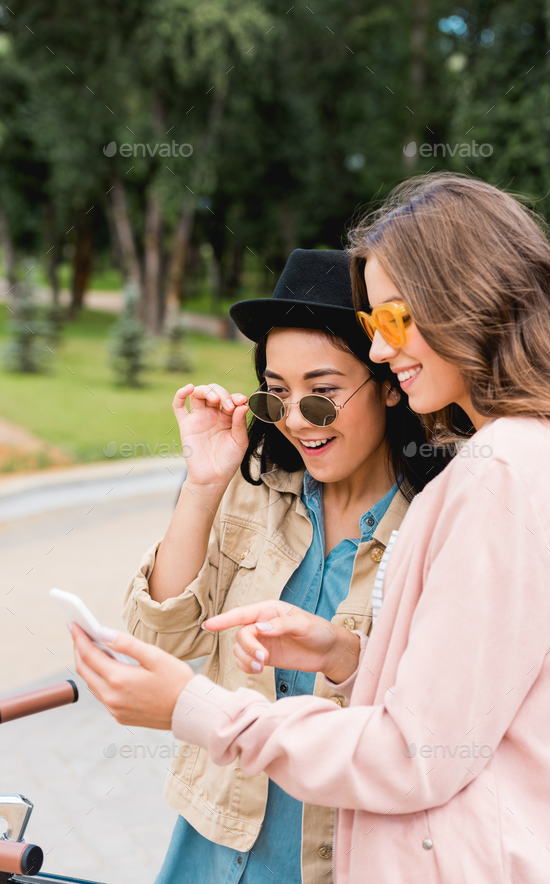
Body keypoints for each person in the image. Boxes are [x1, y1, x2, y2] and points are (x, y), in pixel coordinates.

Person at [72, 173, 550, 883]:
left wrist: (195, 709)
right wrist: (346, 653)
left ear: (462, 299)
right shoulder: (534, 457)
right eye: (275, 395)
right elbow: (464, 700)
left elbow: (417, 753)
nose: (383, 348)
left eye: (391, 322)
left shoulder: (498, 472)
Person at [118, 248, 447, 884]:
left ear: (386, 380)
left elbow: (426, 726)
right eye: (276, 396)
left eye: (322, 396)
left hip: (340, 859)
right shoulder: (253, 487)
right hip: (210, 847)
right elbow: (156, 638)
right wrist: (202, 484)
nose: (297, 420)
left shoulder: (437, 521)